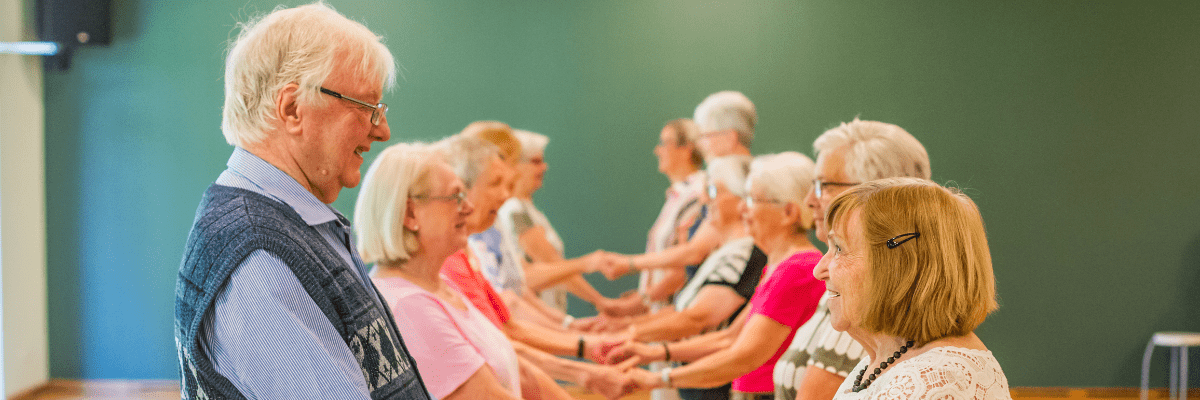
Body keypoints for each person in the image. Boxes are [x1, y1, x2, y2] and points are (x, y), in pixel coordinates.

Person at [174, 3, 428, 399]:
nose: (383, 130)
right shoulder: (258, 257)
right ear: (292, 109)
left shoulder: (292, 223)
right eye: (366, 108)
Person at [357, 143, 574, 400]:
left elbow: (514, 370)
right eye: (455, 197)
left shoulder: (440, 283)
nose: (468, 208)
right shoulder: (408, 305)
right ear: (410, 213)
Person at [437, 128, 637, 399]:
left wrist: (578, 339)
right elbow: (517, 303)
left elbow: (510, 316)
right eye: (496, 182)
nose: (505, 194)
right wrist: (581, 333)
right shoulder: (455, 259)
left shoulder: (466, 251)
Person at [608, 152, 825, 400]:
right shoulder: (780, 265)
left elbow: (742, 356)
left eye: (753, 200)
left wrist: (658, 377)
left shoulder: (797, 269)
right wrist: (652, 353)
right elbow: (729, 338)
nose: (743, 208)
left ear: (788, 212)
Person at [774, 119, 931, 400]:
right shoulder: (839, 281)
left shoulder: (869, 294)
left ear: (877, 192)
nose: (810, 200)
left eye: (824, 185)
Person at [812, 178, 1010, 399]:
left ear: (900, 265)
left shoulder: (932, 380)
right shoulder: (888, 363)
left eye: (839, 248)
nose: (819, 270)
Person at [497, 129, 618, 314]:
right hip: (538, 320)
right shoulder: (515, 211)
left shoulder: (528, 210)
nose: (544, 167)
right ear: (515, 165)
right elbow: (549, 265)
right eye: (535, 161)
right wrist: (600, 301)